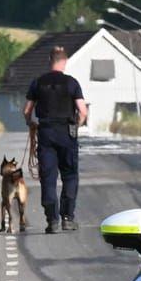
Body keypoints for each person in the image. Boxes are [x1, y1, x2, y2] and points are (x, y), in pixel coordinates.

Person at [23, 45, 89, 234]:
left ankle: (52, 220)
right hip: (67, 133)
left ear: (49, 61)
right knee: (69, 175)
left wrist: (31, 124)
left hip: (46, 133)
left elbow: (27, 111)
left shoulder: (38, 83)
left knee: (48, 178)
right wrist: (76, 125)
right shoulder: (72, 83)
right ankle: (67, 218)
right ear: (64, 62)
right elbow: (83, 111)